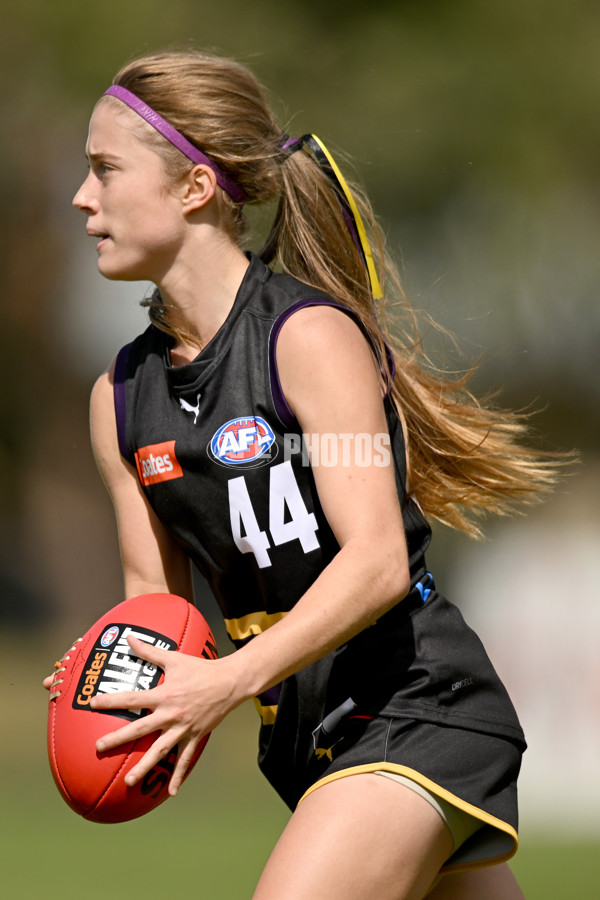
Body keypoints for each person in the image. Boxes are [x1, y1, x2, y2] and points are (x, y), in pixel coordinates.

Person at [46, 49, 563, 899]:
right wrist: (111, 677)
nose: (82, 197)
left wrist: (227, 681)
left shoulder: (308, 340)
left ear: (194, 188)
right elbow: (156, 611)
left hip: (414, 705)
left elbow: (376, 564)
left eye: (105, 169)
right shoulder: (119, 398)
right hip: (309, 742)